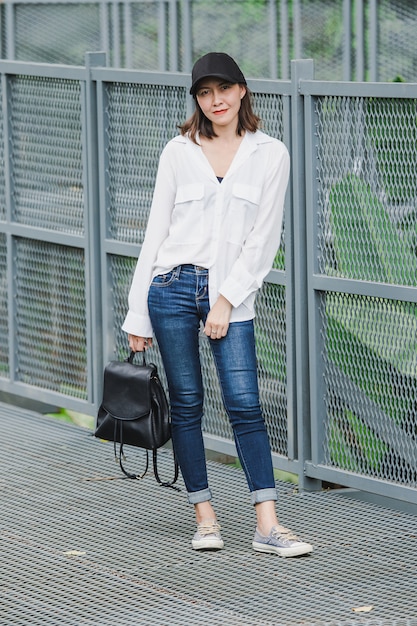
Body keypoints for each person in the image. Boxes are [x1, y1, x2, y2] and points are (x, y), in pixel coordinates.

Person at [122, 52, 313, 557]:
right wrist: (137, 314)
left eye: (223, 89)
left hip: (233, 295)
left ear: (241, 90)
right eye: (205, 93)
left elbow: (264, 240)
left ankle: (267, 525)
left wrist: (226, 300)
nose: (216, 101)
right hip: (172, 290)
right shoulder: (177, 152)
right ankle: (205, 517)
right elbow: (155, 234)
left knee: (245, 404)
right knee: (187, 404)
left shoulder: (270, 154)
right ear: (197, 100)